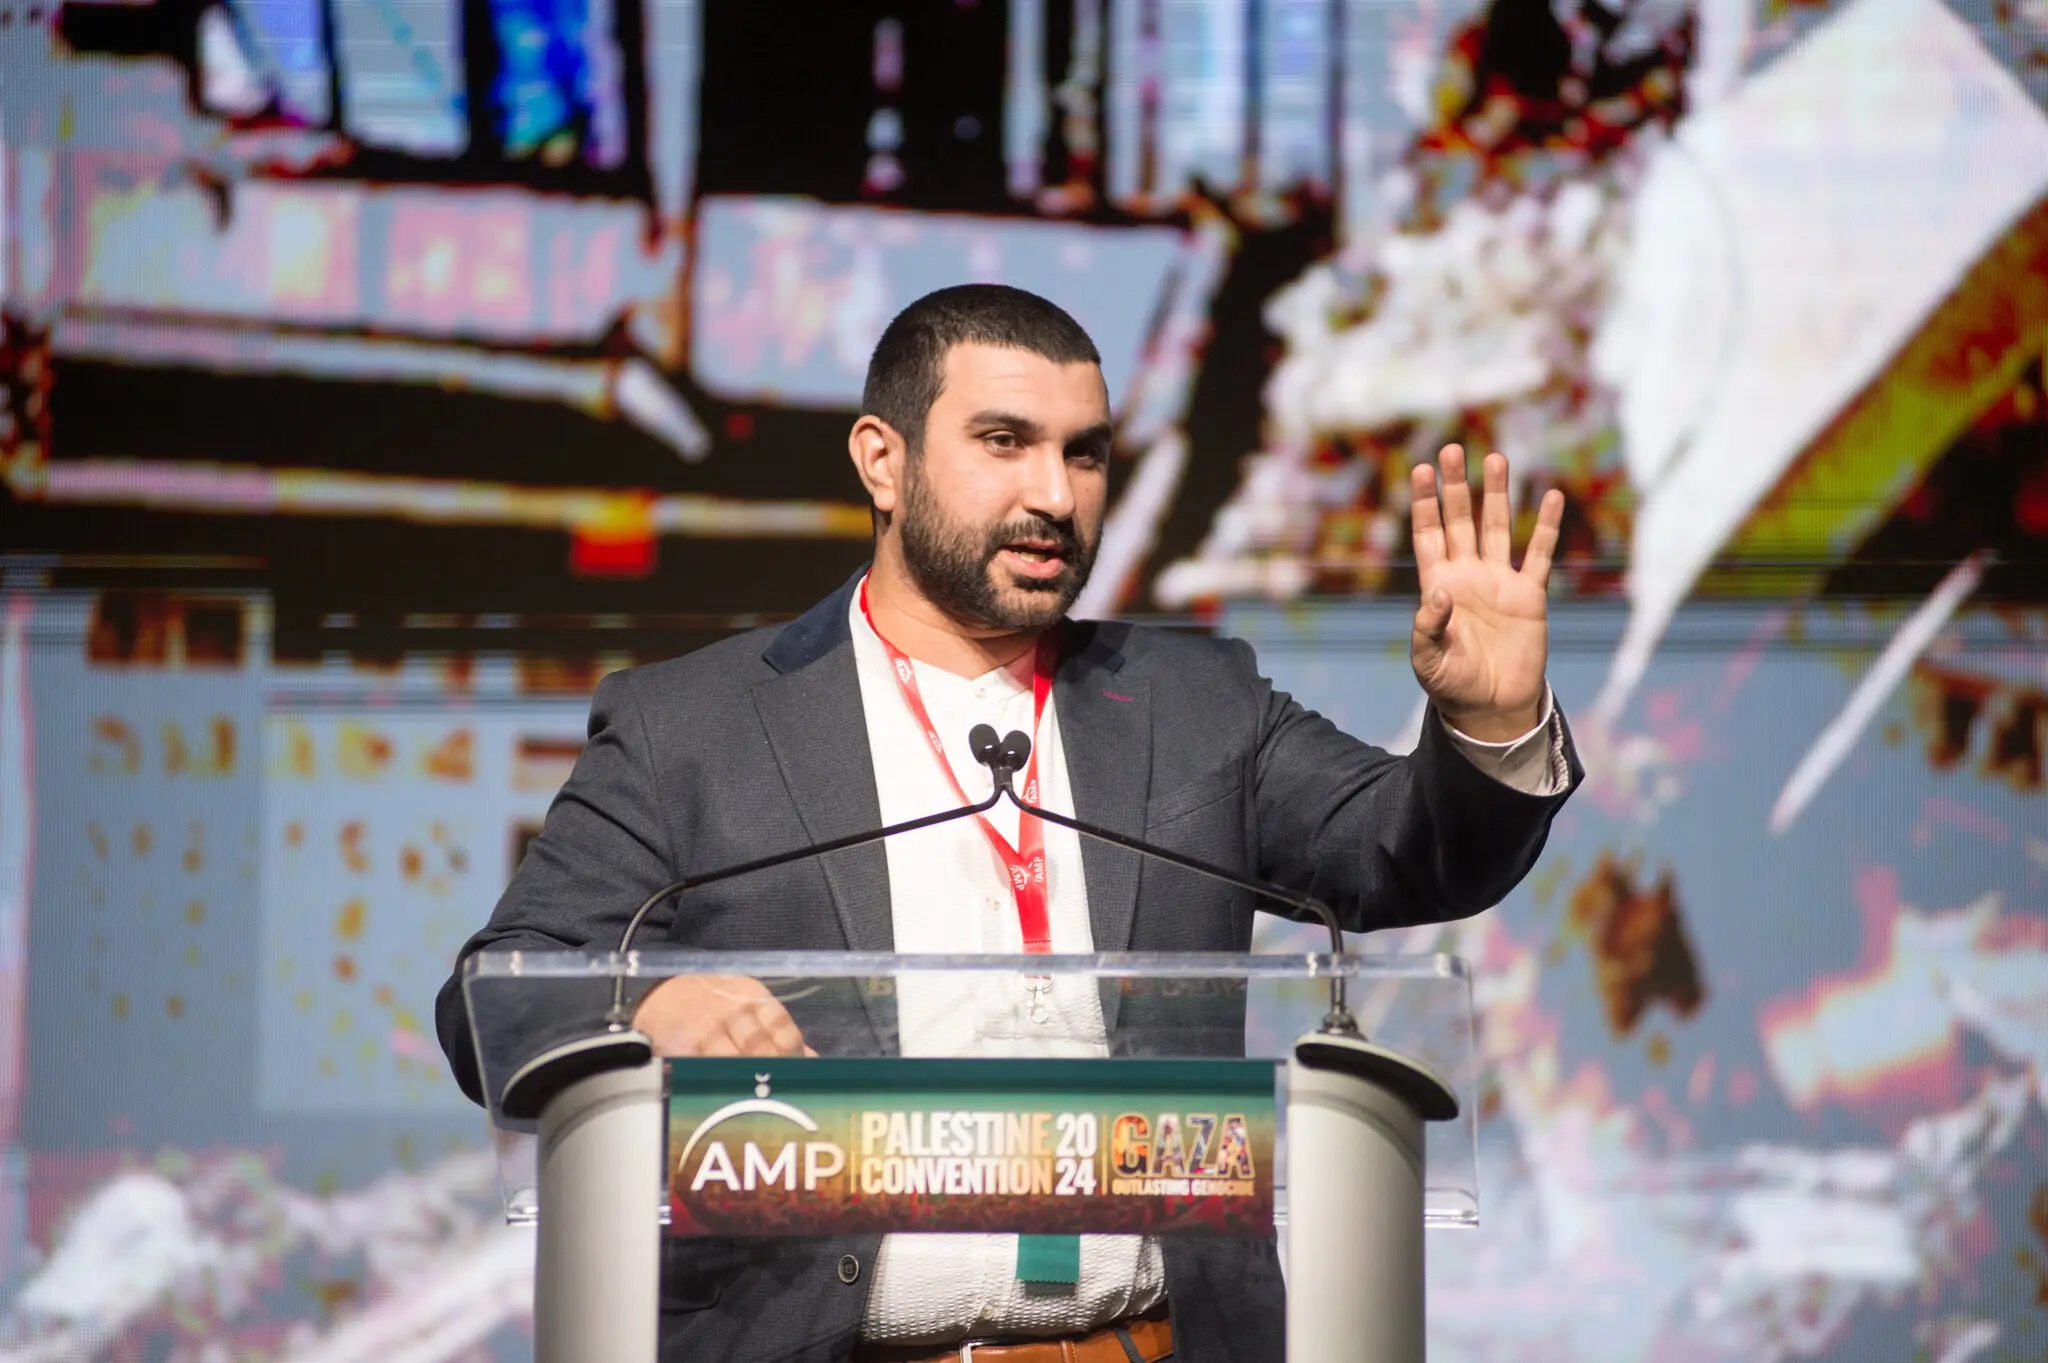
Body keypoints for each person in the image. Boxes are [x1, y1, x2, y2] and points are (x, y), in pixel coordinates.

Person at [436, 284, 1582, 1362]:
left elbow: (1404, 853)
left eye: (1083, 452)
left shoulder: (1194, 705)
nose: (1053, 493)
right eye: (1003, 442)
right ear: (881, 461)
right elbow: (500, 989)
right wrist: (643, 1004)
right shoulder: (694, 727)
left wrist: (1488, 722)